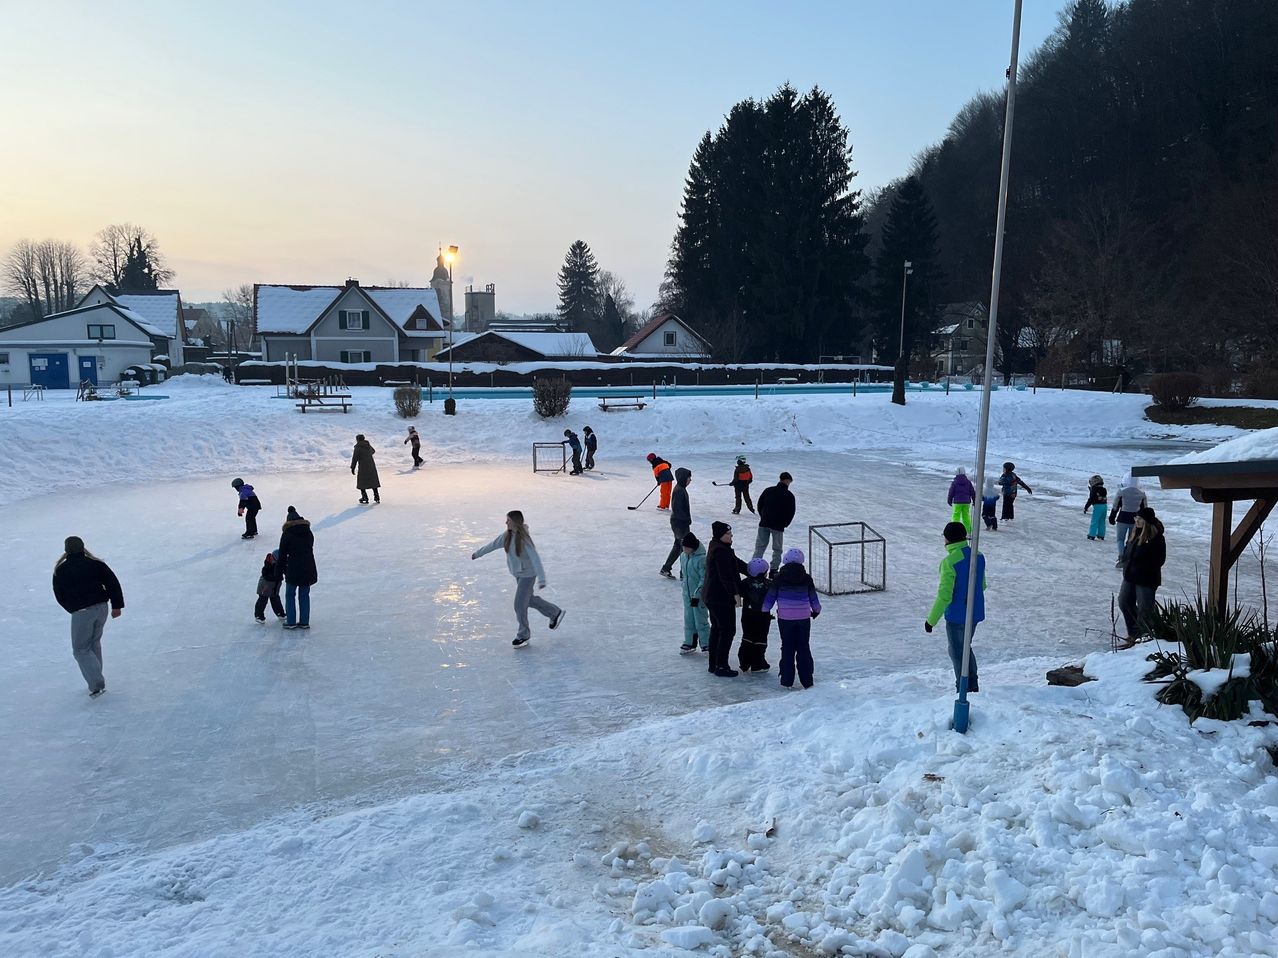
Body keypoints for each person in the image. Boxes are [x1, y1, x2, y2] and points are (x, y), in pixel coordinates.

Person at [472, 510, 565, 648]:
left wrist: (542, 579)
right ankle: (554, 612)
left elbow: (535, 558)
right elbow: (492, 545)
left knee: (519, 605)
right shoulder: (506, 536)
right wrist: (477, 554)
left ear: (515, 522)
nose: (506, 522)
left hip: (528, 575)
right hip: (518, 574)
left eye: (508, 520)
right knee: (528, 600)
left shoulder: (524, 539)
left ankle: (523, 635)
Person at [52, 536, 124, 697]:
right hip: (102, 608)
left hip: (82, 612)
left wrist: (73, 609)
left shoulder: (61, 570)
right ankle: (97, 678)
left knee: (80, 649)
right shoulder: (95, 563)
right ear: (83, 547)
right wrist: (117, 605)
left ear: (66, 550)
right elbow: (113, 583)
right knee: (93, 643)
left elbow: (59, 595)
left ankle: (97, 684)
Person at [924, 521, 987, 694]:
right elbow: (982, 585)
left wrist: (931, 620)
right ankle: (973, 684)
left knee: (957, 651)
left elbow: (945, 595)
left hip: (957, 615)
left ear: (947, 539)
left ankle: (964, 688)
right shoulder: (978, 556)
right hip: (974, 612)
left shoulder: (950, 562)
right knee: (966, 647)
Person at [763, 548, 821, 689]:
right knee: (803, 646)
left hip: (785, 619)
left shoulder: (778, 578)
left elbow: (770, 597)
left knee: (787, 647)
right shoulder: (806, 578)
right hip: (803, 618)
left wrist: (765, 610)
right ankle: (807, 680)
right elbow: (814, 599)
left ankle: (787, 680)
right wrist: (816, 611)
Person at [703, 520, 748, 677]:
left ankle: (713, 664)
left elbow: (736, 563)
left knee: (717, 629)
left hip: (712, 596)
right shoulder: (720, 551)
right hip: (720, 598)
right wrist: (735, 594)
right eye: (728, 534)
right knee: (727, 630)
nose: (731, 536)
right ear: (720, 535)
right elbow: (726, 577)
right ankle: (721, 665)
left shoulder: (719, 547)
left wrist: (752, 569)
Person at [1118, 507, 1166, 646]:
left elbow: (1159, 560)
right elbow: (1128, 552)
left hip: (1146, 579)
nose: (1136, 521)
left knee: (1145, 609)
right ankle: (1133, 633)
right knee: (1124, 601)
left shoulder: (1156, 538)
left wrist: (1141, 566)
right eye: (1136, 519)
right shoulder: (1134, 534)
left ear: (1147, 521)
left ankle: (1142, 637)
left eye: (1139, 519)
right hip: (1129, 576)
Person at [278, 505, 317, 630]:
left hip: (293, 568)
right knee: (304, 594)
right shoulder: (308, 532)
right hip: (308, 567)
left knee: (290, 594)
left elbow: (282, 555)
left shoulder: (287, 534)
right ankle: (304, 621)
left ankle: (291, 621)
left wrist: (278, 572)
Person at [753, 472, 796, 575]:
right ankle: (773, 570)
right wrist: (784, 524)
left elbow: (760, 504)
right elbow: (791, 512)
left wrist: (763, 516)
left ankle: (754, 567)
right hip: (778, 526)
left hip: (764, 523)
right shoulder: (789, 495)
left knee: (760, 547)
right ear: (787, 481)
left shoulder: (768, 490)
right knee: (777, 549)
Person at [738, 558, 773, 672]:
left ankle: (744, 661)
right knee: (761, 638)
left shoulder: (745, 583)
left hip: (748, 614)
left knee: (747, 635)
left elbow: (740, 592)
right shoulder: (768, 584)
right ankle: (758, 662)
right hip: (763, 615)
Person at [678, 532, 710, 654]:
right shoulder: (683, 556)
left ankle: (706, 643)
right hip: (687, 594)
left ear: (693, 547)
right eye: (683, 547)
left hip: (698, 596)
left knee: (700, 619)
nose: (684, 549)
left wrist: (698, 593)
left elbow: (704, 578)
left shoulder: (701, 559)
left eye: (687, 547)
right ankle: (689, 642)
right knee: (689, 618)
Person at [660, 467, 693, 579]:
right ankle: (683, 573)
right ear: (683, 478)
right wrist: (686, 520)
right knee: (685, 548)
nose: (690, 480)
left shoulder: (681, 489)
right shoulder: (679, 490)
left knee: (678, 546)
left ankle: (666, 568)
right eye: (689, 478)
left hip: (680, 523)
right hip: (679, 524)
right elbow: (677, 509)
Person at [1109, 476, 1148, 567]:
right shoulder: (1142, 493)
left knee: (1120, 539)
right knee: (1131, 540)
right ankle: (1128, 557)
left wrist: (1112, 516)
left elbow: (1116, 505)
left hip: (1122, 518)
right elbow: (1145, 508)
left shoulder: (1121, 491)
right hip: (1136, 520)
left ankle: (1121, 557)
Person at [254, 549, 286, 623]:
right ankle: (259, 615)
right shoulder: (268, 565)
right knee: (263, 600)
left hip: (274, 586)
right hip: (265, 586)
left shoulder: (279, 564)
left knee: (275, 599)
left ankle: (280, 613)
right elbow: (266, 574)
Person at [352, 434, 381, 503]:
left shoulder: (358, 447)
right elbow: (373, 451)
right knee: (373, 481)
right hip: (371, 466)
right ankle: (376, 497)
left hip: (363, 467)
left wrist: (352, 467)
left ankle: (364, 497)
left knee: (361, 482)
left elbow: (354, 458)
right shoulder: (368, 445)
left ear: (357, 439)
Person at [947, 466, 976, 534]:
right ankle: (968, 531)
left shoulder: (954, 482)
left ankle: (954, 531)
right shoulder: (968, 482)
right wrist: (974, 500)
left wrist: (949, 499)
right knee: (966, 516)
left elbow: (951, 492)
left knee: (956, 516)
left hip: (957, 502)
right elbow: (972, 492)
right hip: (966, 502)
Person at [1084, 474, 1108, 541]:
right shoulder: (1104, 489)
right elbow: (1099, 495)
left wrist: (1086, 507)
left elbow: (1091, 499)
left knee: (1095, 521)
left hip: (1098, 506)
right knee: (1102, 521)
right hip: (1105, 506)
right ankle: (1101, 535)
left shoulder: (1094, 489)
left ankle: (1091, 535)